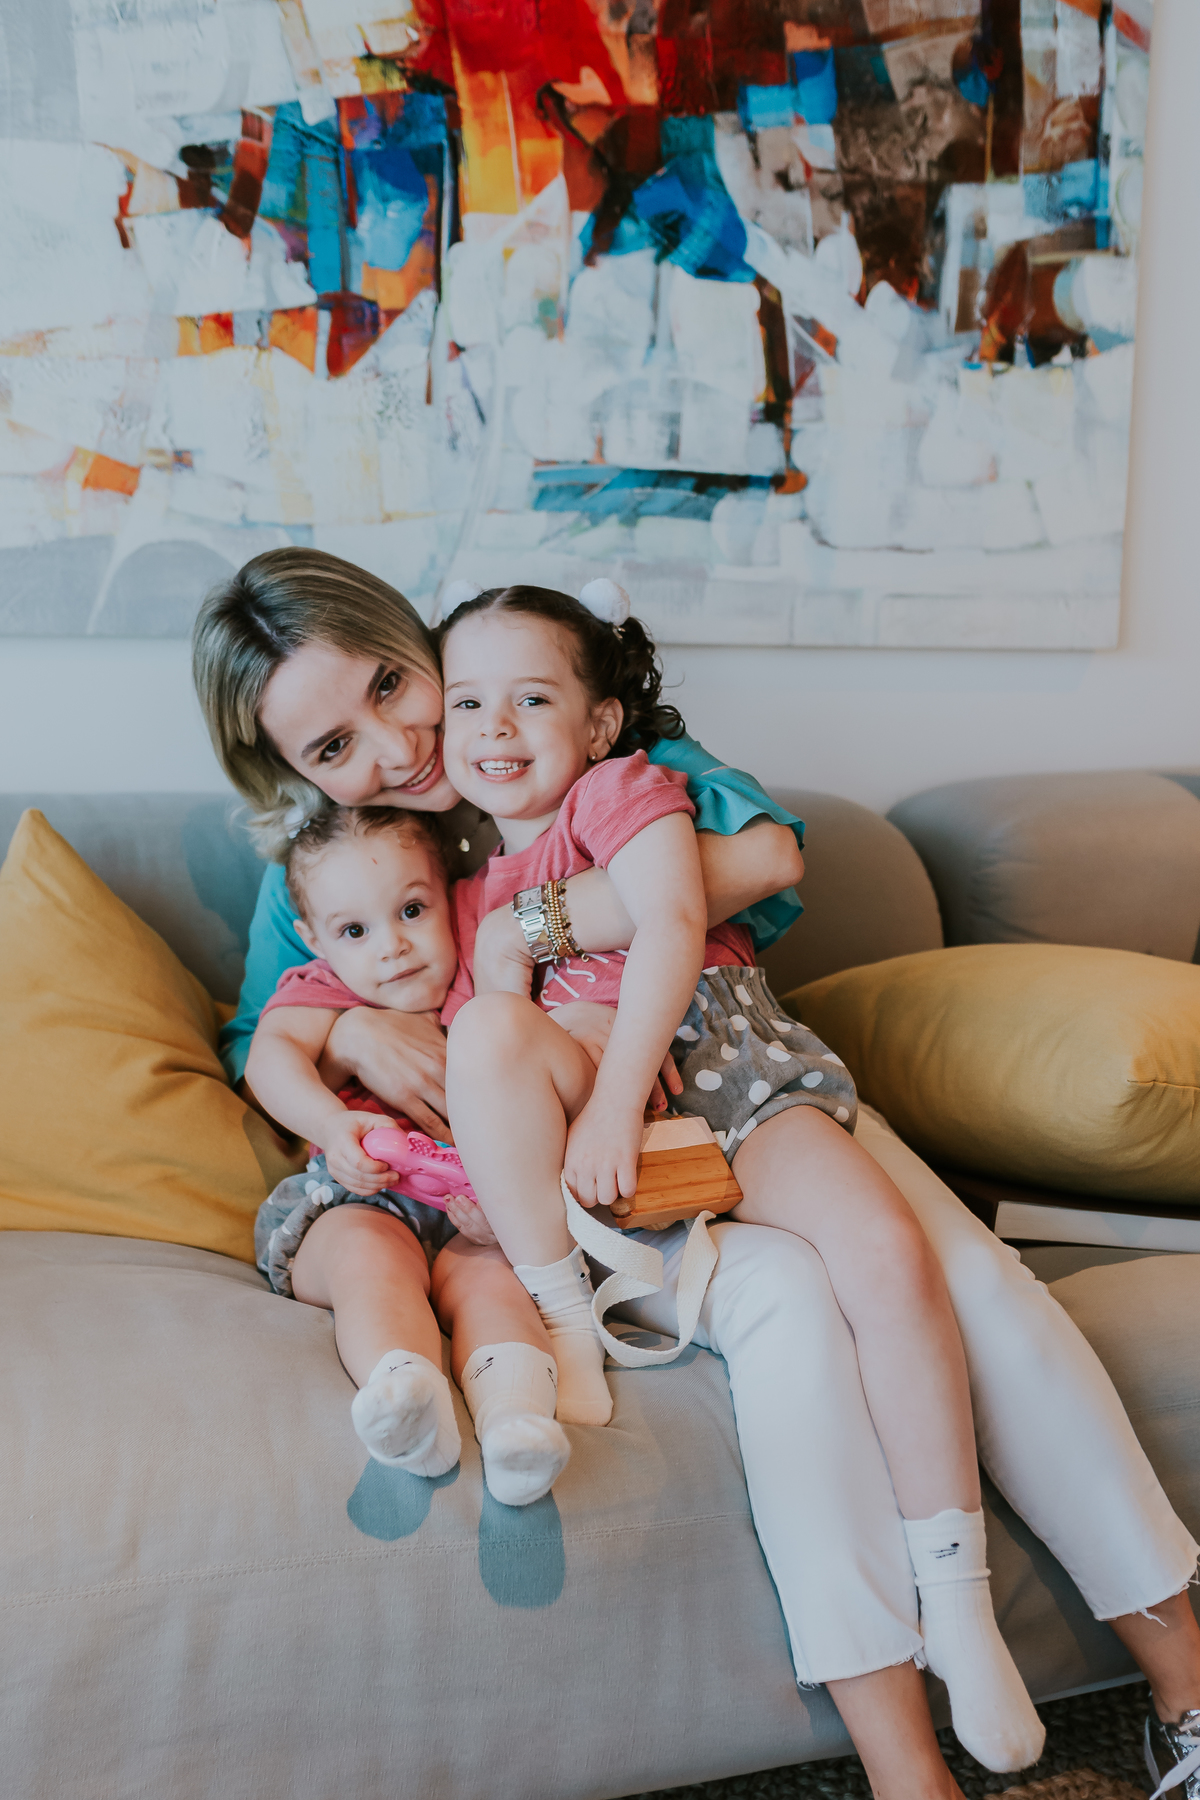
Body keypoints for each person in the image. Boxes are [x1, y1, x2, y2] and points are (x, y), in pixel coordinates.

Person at [192, 548, 1200, 1800]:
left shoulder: (549, 724)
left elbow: (763, 859)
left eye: (394, 687)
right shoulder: (337, 857)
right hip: (573, 1163)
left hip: (727, 1076)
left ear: (423, 638)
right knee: (791, 1316)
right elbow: (261, 1031)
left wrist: (527, 925)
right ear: (295, 778)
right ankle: (906, 1769)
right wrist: (348, 1030)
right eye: (331, 748)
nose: (395, 749)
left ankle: (1186, 1687)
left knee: (959, 1280)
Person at [437, 578, 1043, 1771]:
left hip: (718, 1078)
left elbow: (669, 922)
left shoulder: (624, 792)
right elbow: (492, 1044)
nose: (494, 728)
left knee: (883, 1253)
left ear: (600, 722)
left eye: (532, 698)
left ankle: (960, 1605)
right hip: (596, 1130)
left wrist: (616, 1099)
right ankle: (564, 1311)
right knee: (484, 1040)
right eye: (468, 702)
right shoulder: (476, 892)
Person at [245, 803, 572, 1508]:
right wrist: (333, 1125)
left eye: (412, 910)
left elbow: (560, 929)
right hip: (363, 1192)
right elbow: (268, 1060)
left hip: (473, 1204)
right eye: (355, 931)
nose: (391, 946)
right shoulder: (325, 988)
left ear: (452, 899)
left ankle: (517, 1424)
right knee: (369, 1259)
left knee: (495, 1283)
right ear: (314, 940)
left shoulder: (488, 959)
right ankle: (407, 1396)